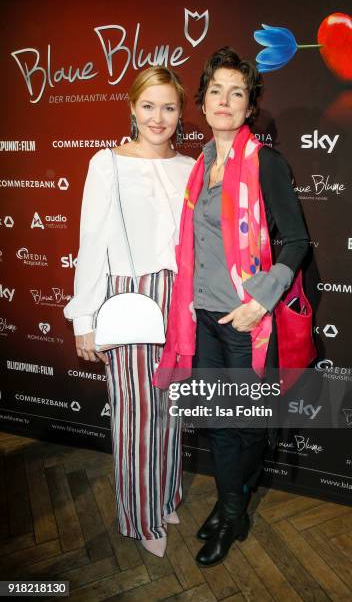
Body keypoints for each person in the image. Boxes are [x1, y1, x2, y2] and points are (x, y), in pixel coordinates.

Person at [154, 47, 310, 567]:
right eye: (215, 91)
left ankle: (232, 513)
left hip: (246, 324)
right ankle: (230, 508)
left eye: (236, 92)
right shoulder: (199, 165)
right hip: (203, 320)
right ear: (202, 101)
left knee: (244, 425)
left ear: (250, 106)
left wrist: (259, 302)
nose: (224, 100)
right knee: (221, 423)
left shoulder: (266, 163)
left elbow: (296, 243)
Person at [64, 66, 195, 558]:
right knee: (137, 416)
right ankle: (140, 518)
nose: (157, 117)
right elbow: (92, 243)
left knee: (171, 410)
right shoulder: (108, 164)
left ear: (181, 112)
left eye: (167, 107)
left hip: (180, 302)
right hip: (130, 300)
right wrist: (85, 318)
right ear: (132, 108)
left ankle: (164, 496)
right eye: (148, 106)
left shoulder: (191, 167)